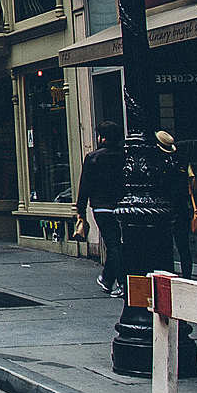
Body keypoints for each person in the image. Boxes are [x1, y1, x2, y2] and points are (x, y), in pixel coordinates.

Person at [74, 122, 126, 295]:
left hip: (101, 207)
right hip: (122, 206)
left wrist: (80, 209)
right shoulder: (124, 156)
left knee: (113, 244)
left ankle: (120, 282)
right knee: (117, 244)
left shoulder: (93, 158)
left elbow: (85, 185)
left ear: (102, 137)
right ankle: (107, 278)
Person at [157, 131, 197, 278]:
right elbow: (192, 181)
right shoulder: (182, 160)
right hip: (181, 206)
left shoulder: (157, 161)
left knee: (164, 243)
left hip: (163, 207)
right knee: (183, 245)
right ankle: (187, 275)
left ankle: (166, 274)